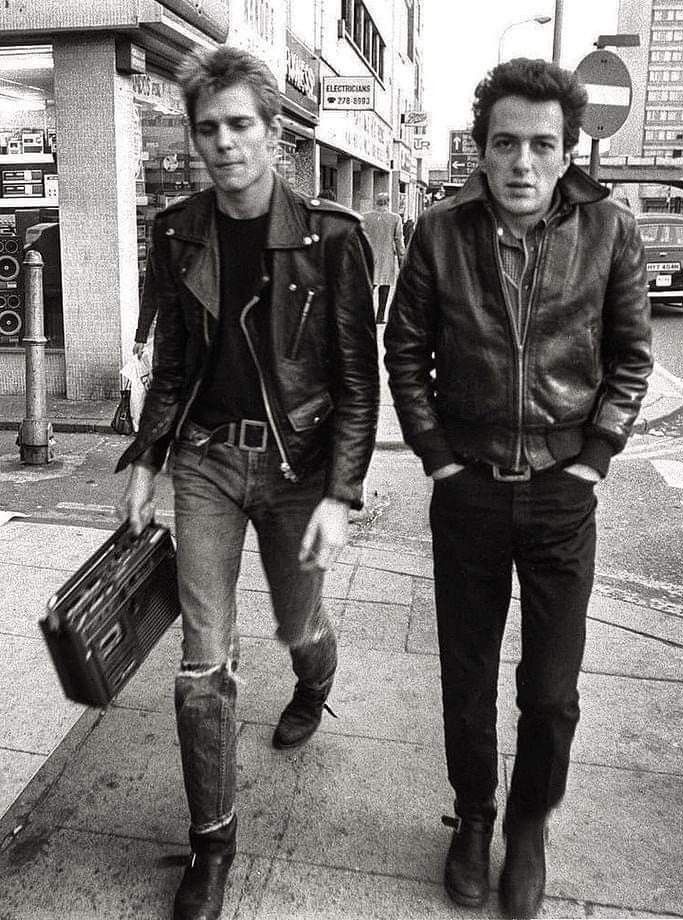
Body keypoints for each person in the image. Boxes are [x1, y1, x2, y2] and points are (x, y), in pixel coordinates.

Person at [384, 58, 652, 919]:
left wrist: (594, 457)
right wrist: (435, 455)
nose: (522, 164)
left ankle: (528, 826)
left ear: (566, 152)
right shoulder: (438, 232)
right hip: (468, 490)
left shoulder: (610, 230)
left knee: (550, 690)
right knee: (466, 677)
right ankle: (473, 818)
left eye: (542, 145)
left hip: (561, 495)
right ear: (483, 148)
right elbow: (406, 352)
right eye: (506, 144)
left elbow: (631, 359)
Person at [117, 45, 378, 920]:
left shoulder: (332, 238)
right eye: (208, 128)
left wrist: (341, 496)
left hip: (299, 467)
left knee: (298, 622)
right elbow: (176, 358)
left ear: (276, 134)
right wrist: (148, 461)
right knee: (202, 665)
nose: (223, 143)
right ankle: (214, 844)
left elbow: (355, 377)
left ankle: (313, 682)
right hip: (205, 462)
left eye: (240, 126)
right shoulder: (179, 228)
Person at [362, 191, 405, 323]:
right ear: (388, 202)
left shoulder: (365, 217)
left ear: (376, 202)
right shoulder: (395, 218)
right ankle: (380, 316)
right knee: (385, 286)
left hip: (369, 256)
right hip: (386, 257)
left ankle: (365, 315)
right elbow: (398, 240)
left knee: (369, 286)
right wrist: (402, 258)